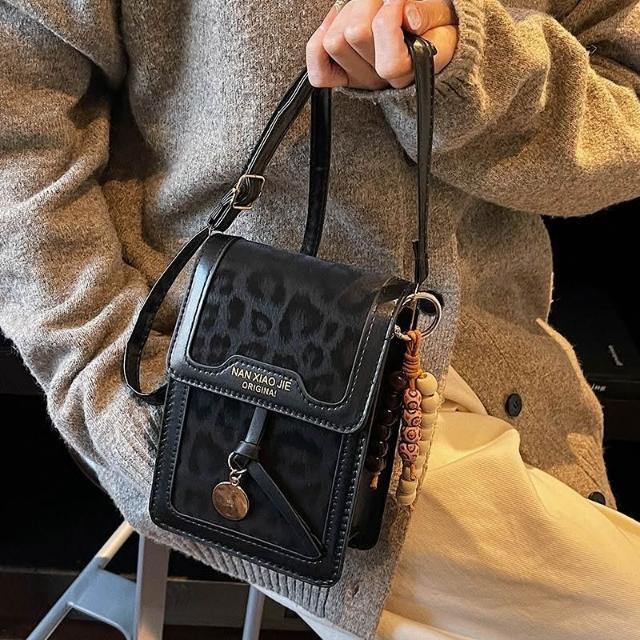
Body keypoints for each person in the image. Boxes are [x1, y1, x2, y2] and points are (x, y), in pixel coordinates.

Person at [0, 0, 639, 638]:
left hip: (500, 376)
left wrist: (467, 67)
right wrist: (105, 382)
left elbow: (625, 116)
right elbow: (20, 125)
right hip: (214, 380)